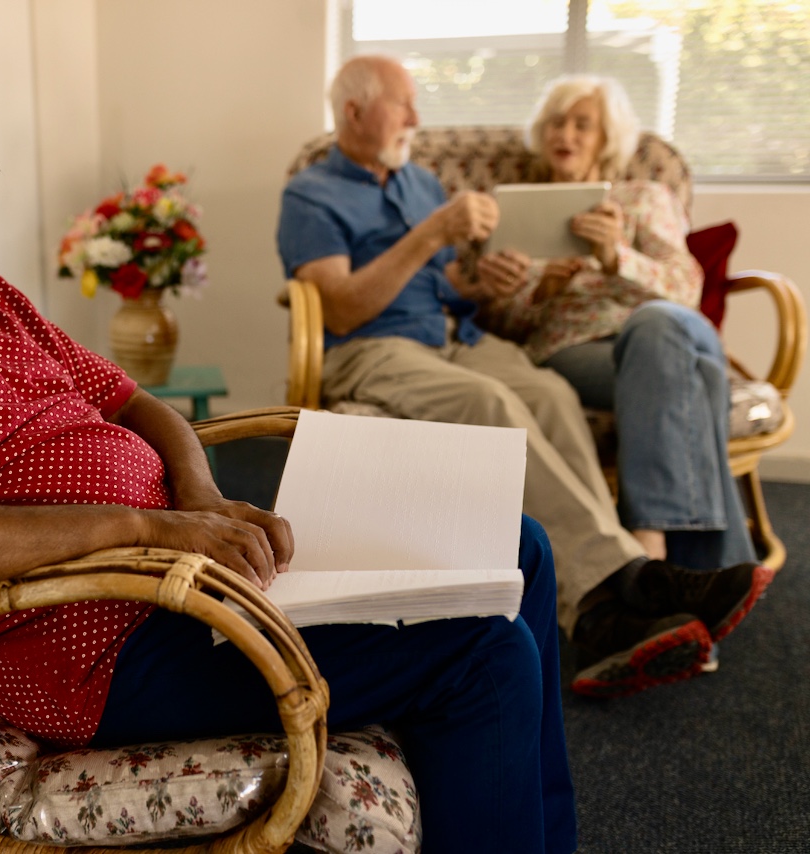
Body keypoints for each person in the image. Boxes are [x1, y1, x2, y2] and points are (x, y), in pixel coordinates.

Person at [0, 60, 576, 853]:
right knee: (484, 656)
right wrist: (145, 527)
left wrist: (199, 496)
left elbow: (134, 402)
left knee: (519, 544)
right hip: (99, 648)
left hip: (188, 573)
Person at [276, 54, 770, 698]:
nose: (417, 120)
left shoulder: (420, 182)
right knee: (491, 401)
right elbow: (340, 304)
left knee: (552, 392)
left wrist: (485, 282)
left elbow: (452, 286)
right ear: (354, 112)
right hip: (374, 347)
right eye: (405, 106)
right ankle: (623, 587)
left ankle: (612, 602)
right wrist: (430, 237)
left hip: (455, 337)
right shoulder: (310, 194)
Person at [475, 73, 760, 578]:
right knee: (699, 382)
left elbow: (686, 286)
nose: (567, 134)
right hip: (576, 350)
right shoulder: (518, 209)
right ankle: (707, 582)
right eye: (557, 123)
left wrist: (616, 258)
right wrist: (544, 292)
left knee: (656, 328)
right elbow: (502, 324)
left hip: (666, 332)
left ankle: (649, 545)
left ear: (607, 139)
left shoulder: (644, 197)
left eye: (583, 124)